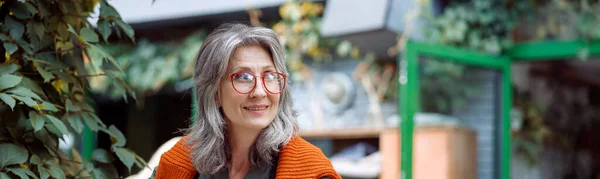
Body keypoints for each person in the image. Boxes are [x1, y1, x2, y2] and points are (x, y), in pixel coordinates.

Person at [154, 23, 341, 179]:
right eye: (243, 77)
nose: (259, 92)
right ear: (214, 93)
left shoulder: (314, 171)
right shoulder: (176, 163)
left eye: (269, 75)